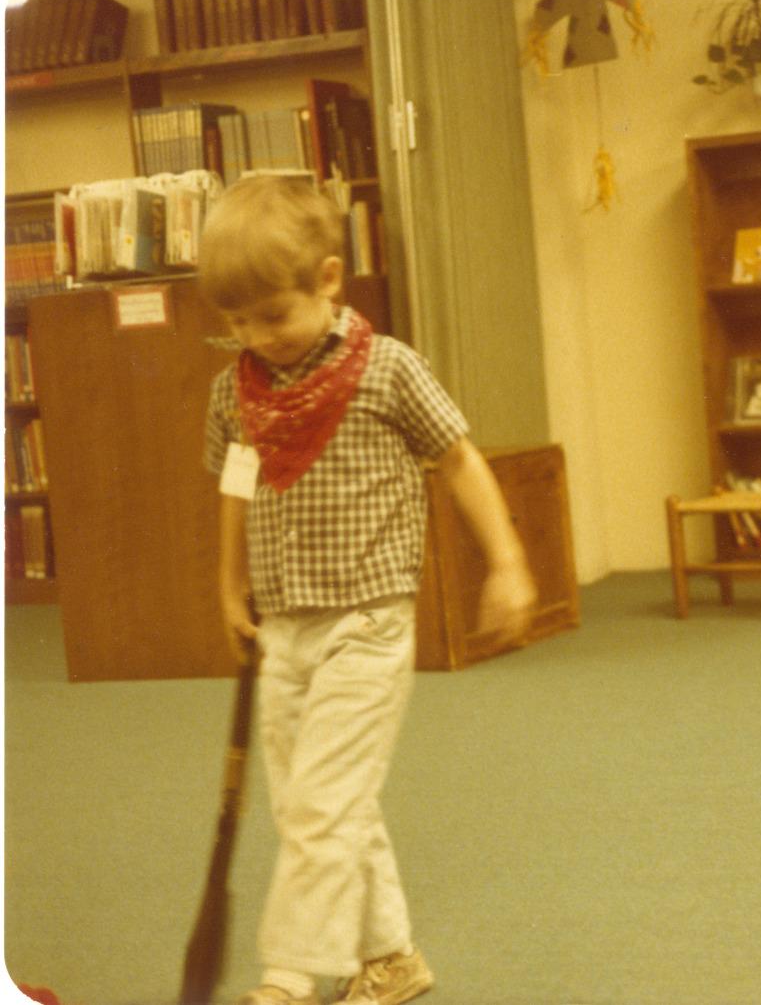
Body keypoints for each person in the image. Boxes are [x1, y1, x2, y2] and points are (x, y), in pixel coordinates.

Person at [199, 175, 537, 1005]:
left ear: (327, 279)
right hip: (284, 627)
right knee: (319, 802)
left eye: (272, 316)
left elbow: (458, 459)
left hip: (368, 622)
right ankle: (390, 957)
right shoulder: (235, 391)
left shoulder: (388, 369)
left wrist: (507, 561)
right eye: (237, 322)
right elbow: (235, 486)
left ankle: (288, 976)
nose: (257, 338)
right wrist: (229, 585)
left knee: (322, 805)